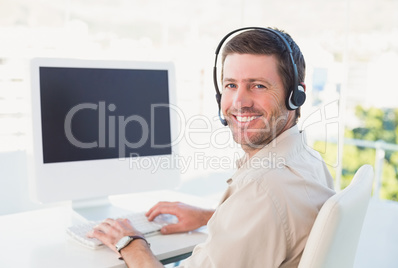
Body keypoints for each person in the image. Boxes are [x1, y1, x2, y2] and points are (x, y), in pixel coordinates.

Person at [88, 27, 335, 267]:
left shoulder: (263, 190)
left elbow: (267, 203)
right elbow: (283, 222)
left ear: (296, 95)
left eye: (258, 85)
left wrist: (129, 242)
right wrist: (212, 217)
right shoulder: (308, 161)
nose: (239, 102)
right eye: (231, 85)